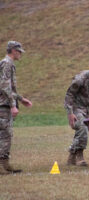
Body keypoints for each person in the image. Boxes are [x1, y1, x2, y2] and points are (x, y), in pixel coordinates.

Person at [0, 41, 32, 175]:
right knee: (4, 135)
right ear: (13, 50)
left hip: (5, 103)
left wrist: (21, 99)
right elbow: (4, 86)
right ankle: (1, 164)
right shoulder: (7, 63)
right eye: (19, 51)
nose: (20, 54)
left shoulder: (8, 63)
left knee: (6, 134)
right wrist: (13, 105)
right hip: (3, 105)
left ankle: (5, 164)